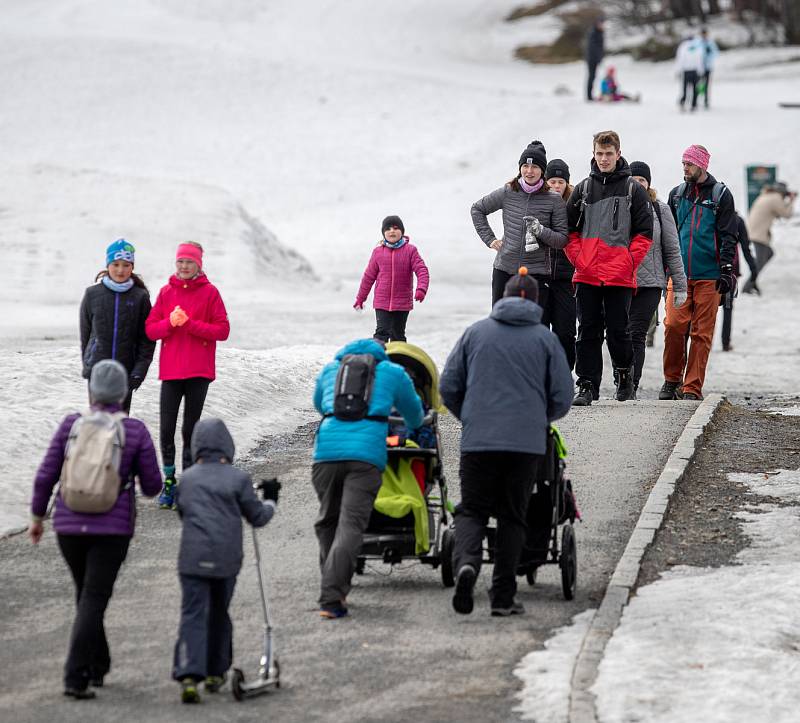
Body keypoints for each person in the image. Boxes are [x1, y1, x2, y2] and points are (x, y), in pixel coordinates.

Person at [439, 268, 572, 617]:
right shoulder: (545, 340)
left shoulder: (476, 333)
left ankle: (467, 563)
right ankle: (502, 596)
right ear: (537, 302)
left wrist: (470, 417)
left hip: (478, 441)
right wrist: (540, 419)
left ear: (504, 297)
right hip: (526, 445)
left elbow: (448, 386)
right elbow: (562, 395)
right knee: (514, 515)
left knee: (472, 509)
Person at [29, 360, 161, 699]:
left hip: (68, 526)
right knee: (93, 597)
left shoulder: (71, 425)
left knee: (86, 595)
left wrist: (36, 518)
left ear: (91, 391)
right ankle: (76, 677)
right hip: (112, 530)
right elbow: (151, 486)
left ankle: (98, 665)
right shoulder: (134, 430)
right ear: (122, 392)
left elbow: (47, 474)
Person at [312, 338, 424, 619]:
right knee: (350, 525)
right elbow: (414, 413)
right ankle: (332, 596)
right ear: (380, 354)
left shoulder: (330, 370)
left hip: (325, 454)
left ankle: (333, 584)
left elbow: (318, 403)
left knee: (328, 520)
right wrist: (410, 426)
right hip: (364, 459)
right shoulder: (393, 372)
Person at [172, 418, 279, 704]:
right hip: (226, 559)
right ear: (227, 445)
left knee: (193, 613)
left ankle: (188, 675)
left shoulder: (188, 479)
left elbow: (183, 512)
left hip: (192, 558)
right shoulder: (238, 478)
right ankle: (215, 672)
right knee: (219, 612)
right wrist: (271, 500)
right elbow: (257, 517)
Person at [564, 130, 653, 406]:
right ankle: (587, 385)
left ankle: (624, 374)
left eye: (608, 154)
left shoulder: (633, 190)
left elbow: (644, 234)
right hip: (588, 274)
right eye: (599, 153)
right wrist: (580, 259)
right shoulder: (583, 189)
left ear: (618, 153)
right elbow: (569, 231)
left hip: (619, 276)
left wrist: (628, 263)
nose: (603, 159)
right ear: (593, 153)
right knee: (588, 331)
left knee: (619, 331)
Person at [145, 242, 230, 509]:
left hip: (199, 371)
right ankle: (169, 481)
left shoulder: (210, 293)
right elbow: (150, 330)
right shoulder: (165, 293)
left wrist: (190, 324)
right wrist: (170, 323)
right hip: (171, 372)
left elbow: (222, 330)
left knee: (190, 429)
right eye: (180, 261)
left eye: (189, 262)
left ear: (199, 265)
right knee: (167, 428)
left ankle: (190, 482)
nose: (184, 266)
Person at [660, 144, 737, 400]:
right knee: (673, 325)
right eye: (683, 162)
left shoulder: (721, 195)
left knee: (701, 334)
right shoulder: (676, 195)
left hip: (710, 276)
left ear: (702, 165)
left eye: (689, 163)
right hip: (679, 276)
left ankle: (692, 387)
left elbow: (728, 235)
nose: (685, 167)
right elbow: (667, 236)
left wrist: (727, 270)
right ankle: (671, 380)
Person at [471, 140, 568, 307]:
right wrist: (490, 240)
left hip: (536, 274)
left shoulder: (554, 199)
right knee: (500, 323)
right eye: (525, 166)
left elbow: (561, 240)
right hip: (504, 269)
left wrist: (541, 230)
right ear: (520, 168)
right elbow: (477, 209)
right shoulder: (508, 191)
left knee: (533, 326)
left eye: (535, 167)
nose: (529, 171)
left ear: (542, 171)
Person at [628, 161, 688, 397]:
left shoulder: (659, 210)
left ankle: (631, 384)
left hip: (650, 282)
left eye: (641, 180)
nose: (637, 184)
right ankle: (622, 377)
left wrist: (680, 285)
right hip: (620, 281)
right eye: (633, 180)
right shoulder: (618, 206)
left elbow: (673, 249)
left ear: (648, 183)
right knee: (619, 333)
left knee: (637, 333)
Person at [80, 239, 155, 413]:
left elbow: (147, 339)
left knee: (119, 426)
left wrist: (139, 372)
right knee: (97, 424)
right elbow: (86, 334)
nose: (120, 270)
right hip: (97, 371)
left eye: (126, 265)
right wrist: (88, 365)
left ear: (132, 267)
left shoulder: (140, 296)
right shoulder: (92, 294)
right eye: (115, 264)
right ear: (108, 265)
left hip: (125, 372)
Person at [354, 215, 429, 343]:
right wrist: (360, 298)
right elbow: (368, 277)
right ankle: (377, 359)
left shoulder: (410, 251)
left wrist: (421, 289)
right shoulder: (378, 252)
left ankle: (398, 361)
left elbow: (422, 270)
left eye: (395, 228)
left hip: (402, 303)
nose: (392, 231)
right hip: (382, 302)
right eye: (388, 229)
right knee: (381, 333)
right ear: (383, 233)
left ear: (402, 231)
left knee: (398, 335)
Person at [544, 158, 577, 370]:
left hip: (567, 279)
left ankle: (563, 373)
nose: (556, 186)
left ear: (567, 184)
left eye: (560, 182)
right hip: (540, 276)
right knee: (539, 329)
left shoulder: (574, 206)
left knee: (565, 331)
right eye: (552, 181)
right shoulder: (538, 203)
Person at [742, 182, 797, 294]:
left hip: (754, 231)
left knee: (768, 254)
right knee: (760, 261)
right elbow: (787, 214)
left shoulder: (767, 195)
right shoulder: (776, 198)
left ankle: (753, 282)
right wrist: (791, 200)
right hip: (758, 234)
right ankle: (747, 286)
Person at [721, 213, 758, 352]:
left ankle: (704, 340)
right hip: (730, 269)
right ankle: (725, 343)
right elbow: (746, 247)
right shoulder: (737, 220)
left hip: (711, 267)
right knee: (728, 306)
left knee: (705, 307)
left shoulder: (711, 215)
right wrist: (753, 270)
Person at [675, 34, 706, 112]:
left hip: (686, 71)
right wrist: (701, 71)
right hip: (695, 71)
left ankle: (683, 102)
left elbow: (680, 60)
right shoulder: (698, 46)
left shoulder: (683, 46)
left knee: (685, 88)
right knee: (695, 88)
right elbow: (700, 60)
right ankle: (694, 104)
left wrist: (678, 70)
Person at [585, 16, 605, 101]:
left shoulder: (600, 32)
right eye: (600, 23)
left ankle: (591, 95)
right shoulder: (593, 32)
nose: (601, 25)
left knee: (594, 76)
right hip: (591, 59)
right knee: (591, 77)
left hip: (596, 59)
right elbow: (593, 48)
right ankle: (589, 96)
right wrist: (597, 58)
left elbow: (600, 47)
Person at [699, 28, 719, 110]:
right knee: (699, 84)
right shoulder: (698, 43)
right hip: (699, 67)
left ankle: (706, 101)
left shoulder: (710, 43)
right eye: (703, 34)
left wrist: (709, 54)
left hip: (707, 67)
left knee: (706, 84)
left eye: (705, 34)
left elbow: (715, 53)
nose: (704, 35)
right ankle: (697, 99)